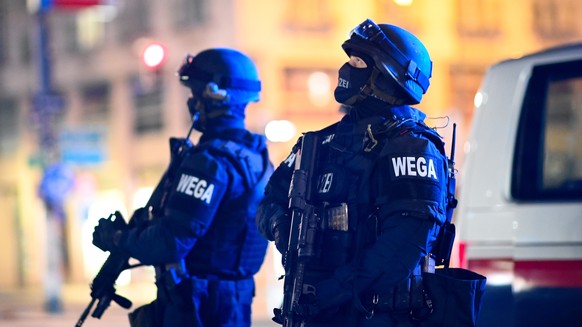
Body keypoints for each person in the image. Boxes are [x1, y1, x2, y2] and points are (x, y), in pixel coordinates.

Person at [256, 19, 451, 326]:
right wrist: (282, 228)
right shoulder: (318, 143)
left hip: (375, 315)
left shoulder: (410, 145)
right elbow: (270, 199)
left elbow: (404, 246)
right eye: (349, 60)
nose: (347, 69)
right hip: (315, 308)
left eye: (358, 61)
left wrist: (331, 293)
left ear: (387, 75)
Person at [92, 48, 274, 327]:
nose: (192, 102)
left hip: (197, 307)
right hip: (231, 303)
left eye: (195, 93)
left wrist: (116, 238)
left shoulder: (210, 162)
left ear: (213, 95)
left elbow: (170, 242)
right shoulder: (257, 159)